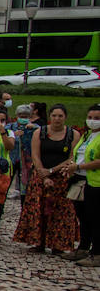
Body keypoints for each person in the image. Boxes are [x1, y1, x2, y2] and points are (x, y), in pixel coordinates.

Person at [65, 104, 100, 266]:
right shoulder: (86, 136)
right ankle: (84, 247)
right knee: (83, 217)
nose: (92, 121)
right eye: (91, 118)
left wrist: (79, 166)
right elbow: (77, 154)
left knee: (95, 218)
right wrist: (72, 166)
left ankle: (97, 253)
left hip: (95, 182)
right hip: (79, 180)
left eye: (97, 118)